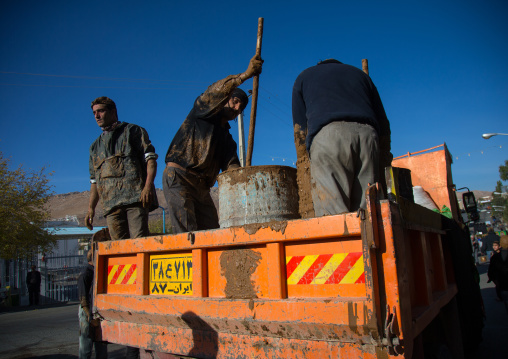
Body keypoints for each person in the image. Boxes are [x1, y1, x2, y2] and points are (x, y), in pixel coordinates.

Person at [163, 54, 263, 234]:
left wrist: (246, 180)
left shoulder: (227, 140)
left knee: (211, 233)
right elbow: (214, 92)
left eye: (242, 108)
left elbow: (232, 169)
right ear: (226, 98)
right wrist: (245, 75)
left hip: (202, 187)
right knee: (187, 235)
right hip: (180, 177)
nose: (237, 109)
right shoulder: (203, 112)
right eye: (235, 101)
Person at [292, 59, 392, 216]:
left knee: (334, 215)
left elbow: (299, 131)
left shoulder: (304, 77)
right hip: (368, 137)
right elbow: (384, 123)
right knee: (368, 213)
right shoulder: (361, 76)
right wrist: (384, 156)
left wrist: (304, 166)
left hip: (329, 139)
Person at [85, 96, 158, 240]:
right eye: (94, 113)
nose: (97, 116)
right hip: (111, 205)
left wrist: (148, 186)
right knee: (118, 248)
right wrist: (90, 208)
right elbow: (94, 182)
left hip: (136, 199)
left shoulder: (133, 131)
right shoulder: (95, 147)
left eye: (101, 111)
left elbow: (151, 160)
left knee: (139, 243)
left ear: (113, 112)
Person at [78, 250, 107, 359]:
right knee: (86, 343)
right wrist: (89, 314)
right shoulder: (86, 272)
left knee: (101, 342)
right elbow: (83, 297)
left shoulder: (96, 270)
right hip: (87, 311)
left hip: (97, 310)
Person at [487, 235, 508, 302]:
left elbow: (491, 271)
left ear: (500, 244)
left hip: (503, 284)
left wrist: (492, 279)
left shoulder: (495, 257)